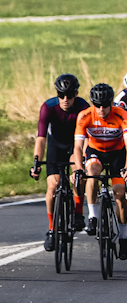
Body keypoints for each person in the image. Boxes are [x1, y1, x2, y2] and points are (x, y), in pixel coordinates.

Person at [73, 82, 127, 260]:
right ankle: (93, 216)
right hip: (96, 151)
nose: (101, 109)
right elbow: (78, 147)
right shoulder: (84, 116)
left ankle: (123, 237)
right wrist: (78, 168)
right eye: (97, 105)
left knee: (119, 194)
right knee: (92, 171)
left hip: (118, 154)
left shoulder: (123, 116)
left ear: (111, 103)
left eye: (105, 105)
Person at [33, 74, 89, 250]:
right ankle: (51, 229)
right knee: (52, 187)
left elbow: (88, 137)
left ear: (76, 94)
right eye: (61, 95)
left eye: (70, 95)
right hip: (55, 147)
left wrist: (84, 159)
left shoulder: (83, 107)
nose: (65, 99)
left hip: (75, 146)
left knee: (78, 173)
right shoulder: (48, 108)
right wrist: (36, 163)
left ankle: (78, 212)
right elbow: (41, 139)